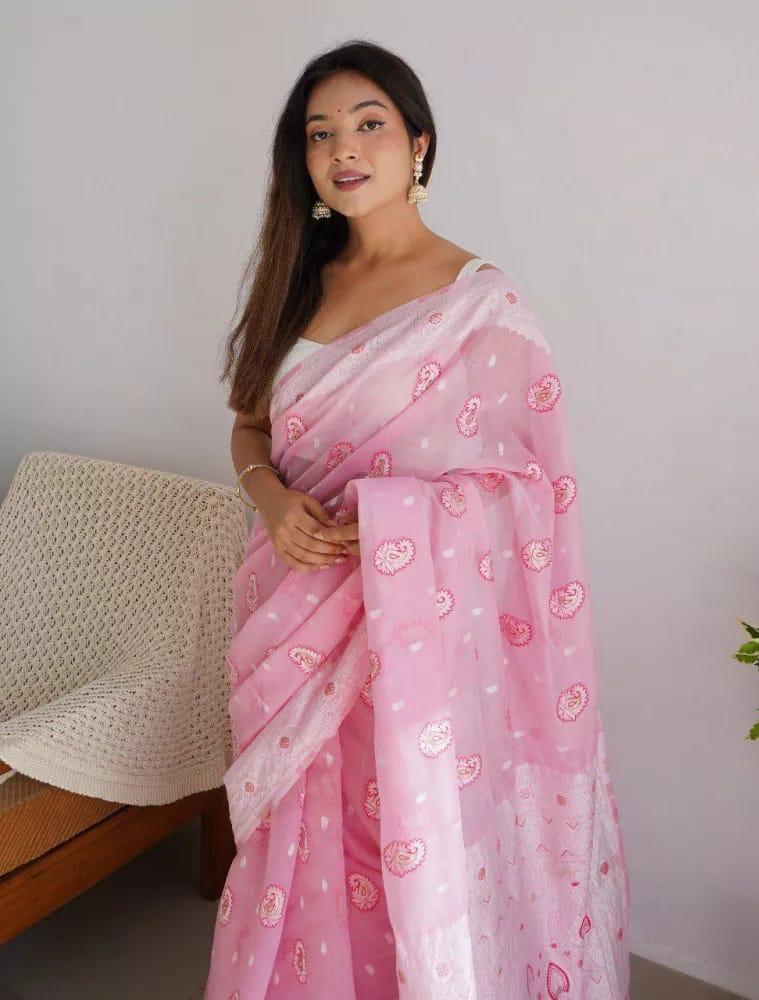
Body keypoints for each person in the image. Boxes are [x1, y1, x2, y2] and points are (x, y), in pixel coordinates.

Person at [204, 38, 631, 1000]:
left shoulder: (480, 304)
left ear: (419, 145)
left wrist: (397, 523)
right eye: (320, 134)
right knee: (302, 851)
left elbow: (533, 493)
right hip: (295, 618)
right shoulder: (297, 279)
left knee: (401, 838)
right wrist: (271, 498)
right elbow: (248, 425)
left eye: (370, 125)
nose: (344, 150)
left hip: (416, 644)